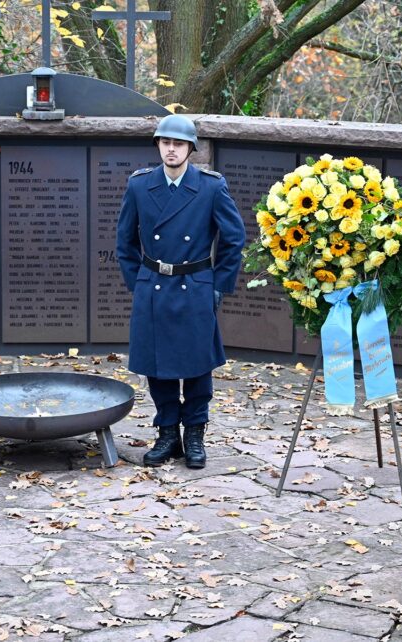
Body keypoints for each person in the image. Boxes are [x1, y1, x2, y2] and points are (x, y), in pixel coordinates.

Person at [116, 114, 245, 469]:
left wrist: (218, 286)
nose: (171, 150)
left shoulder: (211, 186)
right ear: (158, 145)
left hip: (195, 286)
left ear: (191, 148)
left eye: (178, 144)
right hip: (154, 286)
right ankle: (168, 433)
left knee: (198, 365)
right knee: (158, 366)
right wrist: (139, 283)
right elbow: (124, 242)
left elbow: (234, 240)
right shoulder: (140, 186)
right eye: (165, 143)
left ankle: (195, 435)